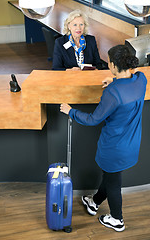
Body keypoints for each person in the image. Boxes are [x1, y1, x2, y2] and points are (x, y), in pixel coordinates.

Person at [60, 44, 147, 232]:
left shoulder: (112, 93)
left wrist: (71, 111)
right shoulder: (141, 80)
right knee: (110, 176)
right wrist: (115, 80)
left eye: (109, 62)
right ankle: (94, 202)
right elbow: (136, 74)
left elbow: (93, 119)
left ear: (114, 65)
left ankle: (117, 219)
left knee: (114, 183)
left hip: (113, 147)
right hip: (131, 143)